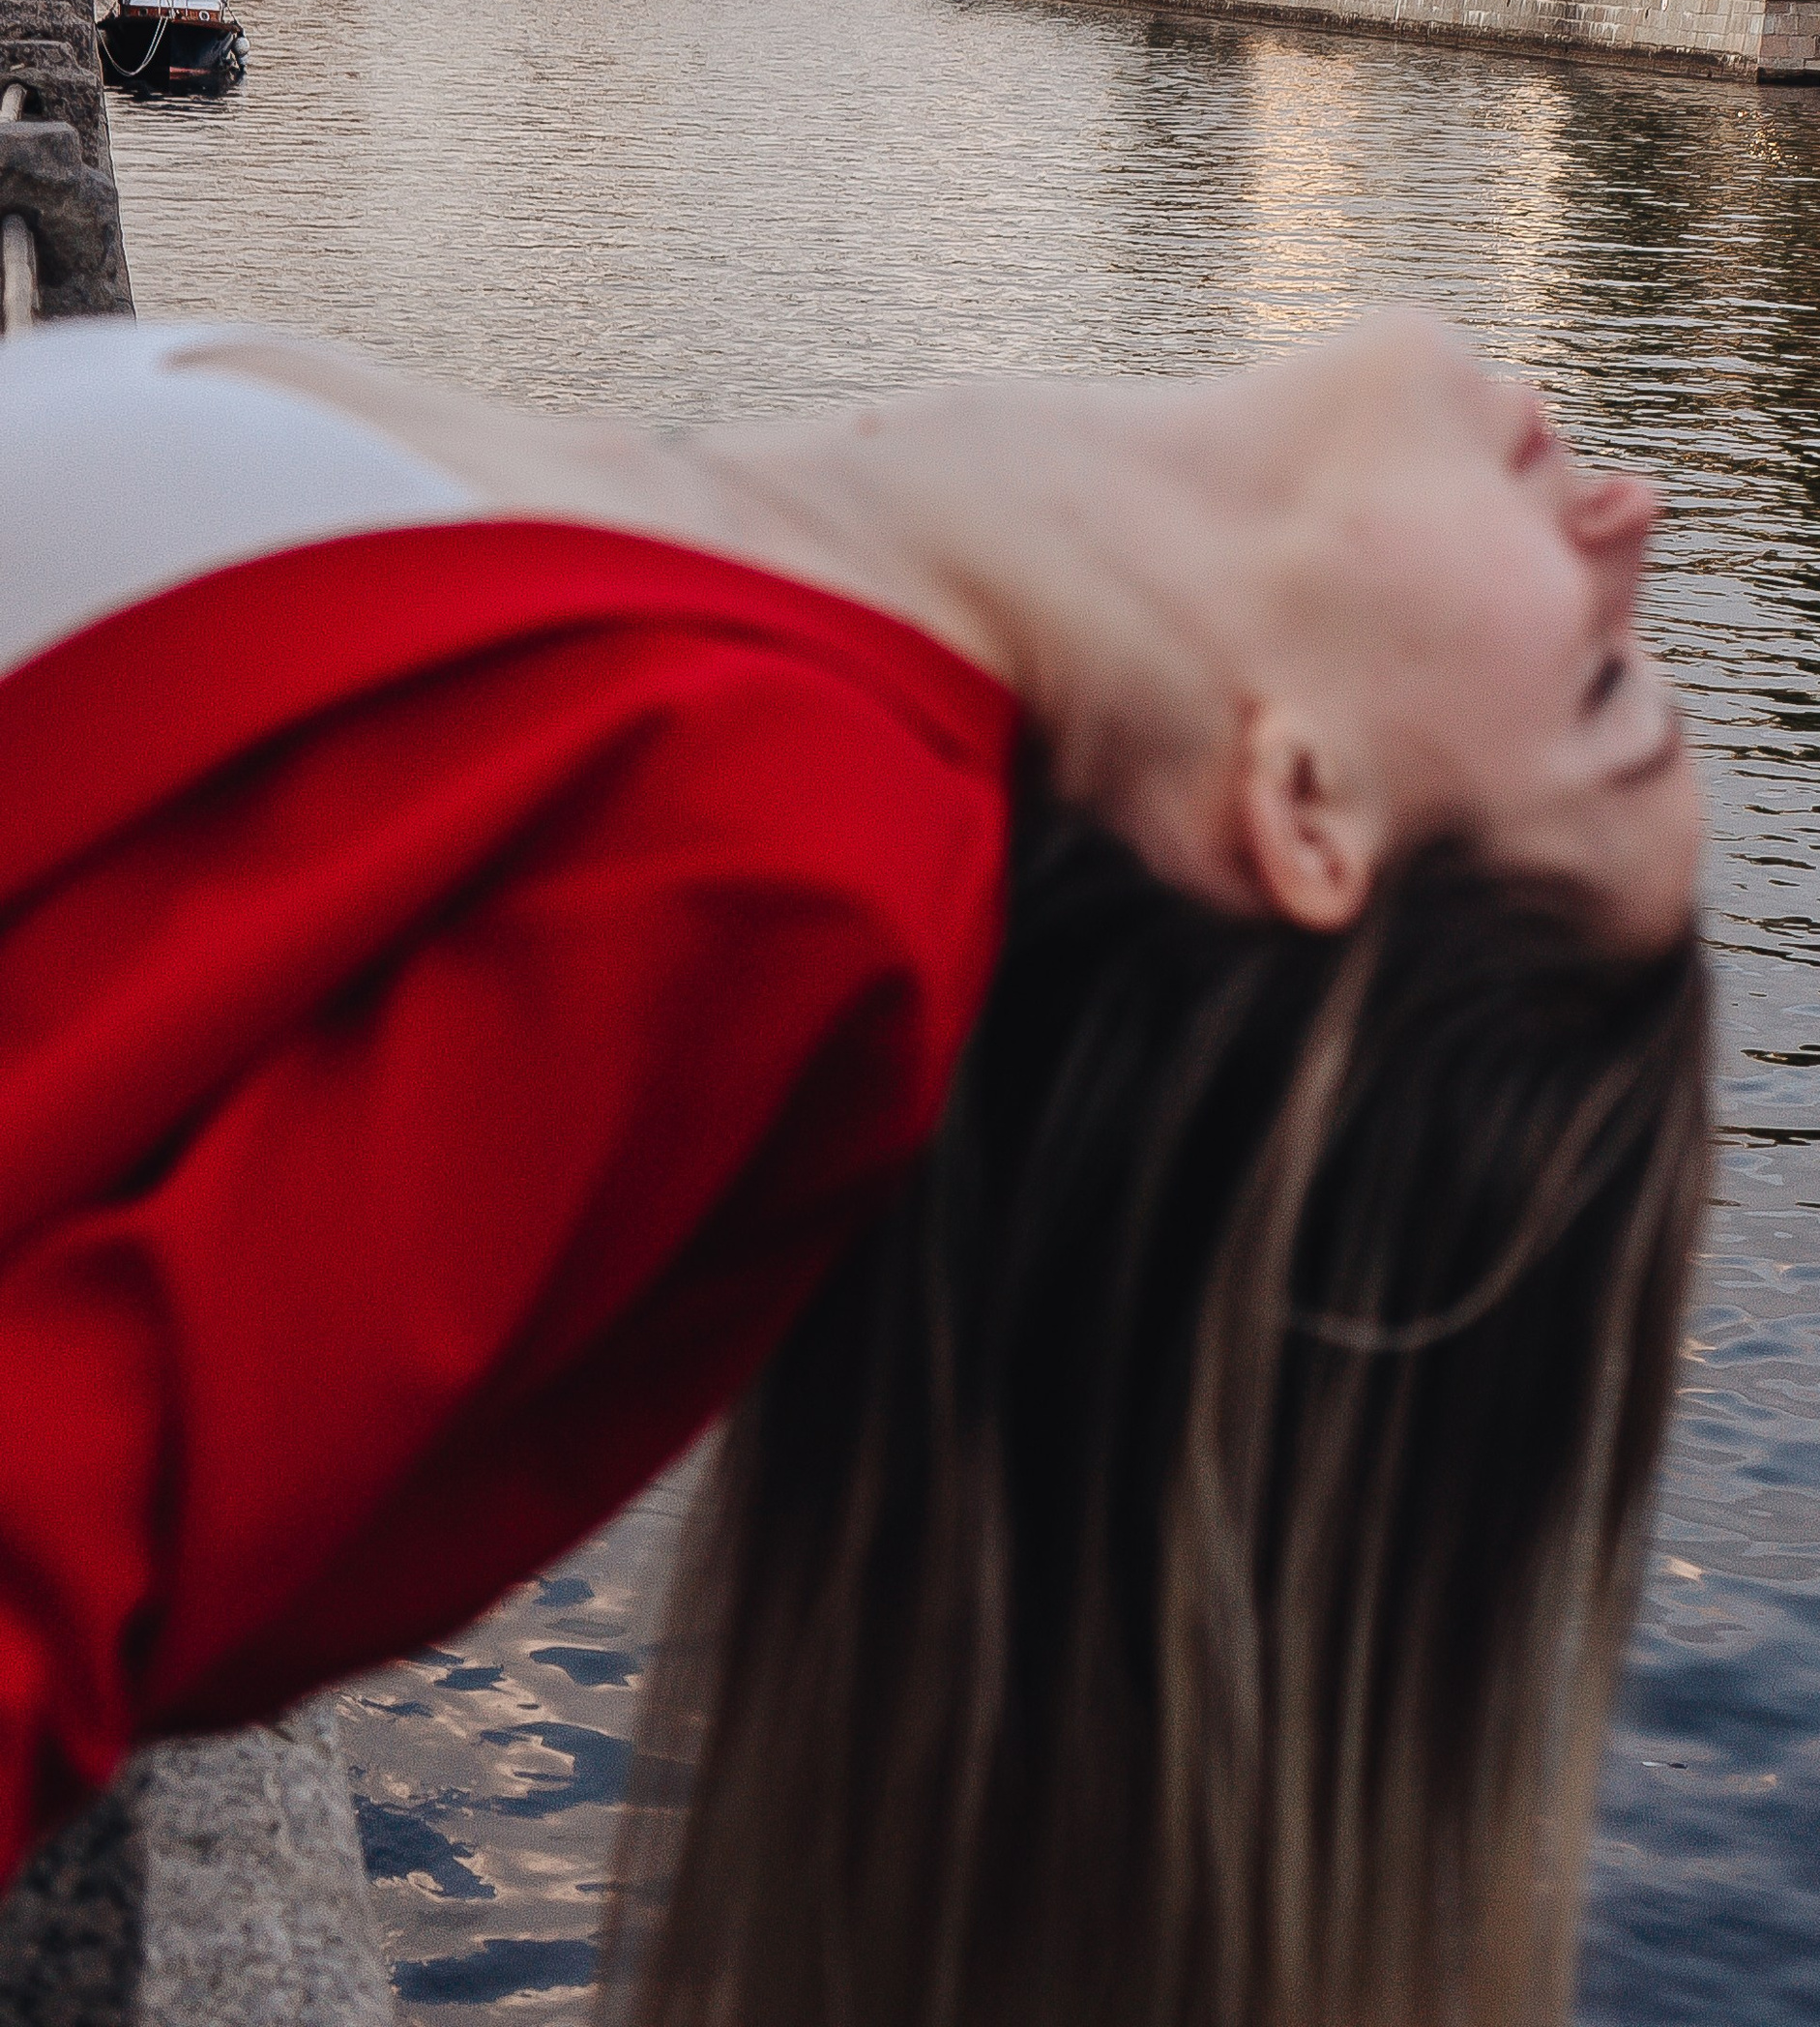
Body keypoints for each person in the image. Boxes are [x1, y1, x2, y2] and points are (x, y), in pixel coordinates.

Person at [0, 308, 1710, 2027]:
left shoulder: (789, 873)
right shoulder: (750, 639)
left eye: (1604, 689)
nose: (1633, 518)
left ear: (1310, 805)